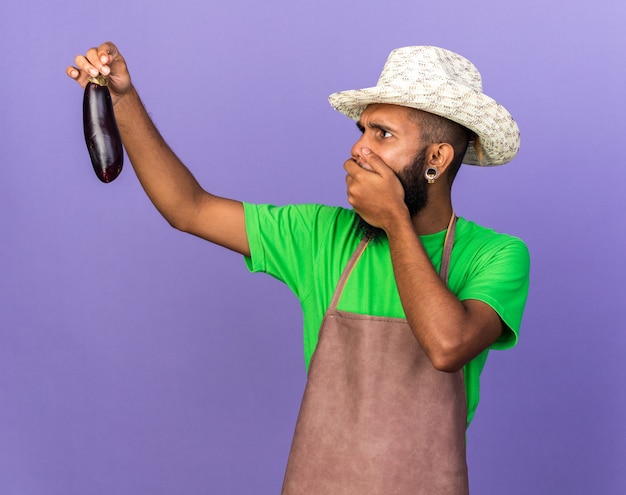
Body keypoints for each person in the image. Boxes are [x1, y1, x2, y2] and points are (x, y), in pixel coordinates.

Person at [67, 43, 530, 494]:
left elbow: (448, 346)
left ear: (436, 159)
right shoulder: (321, 234)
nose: (359, 147)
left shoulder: (496, 255)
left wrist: (394, 220)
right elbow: (188, 208)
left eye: (382, 134)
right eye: (361, 128)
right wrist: (123, 100)